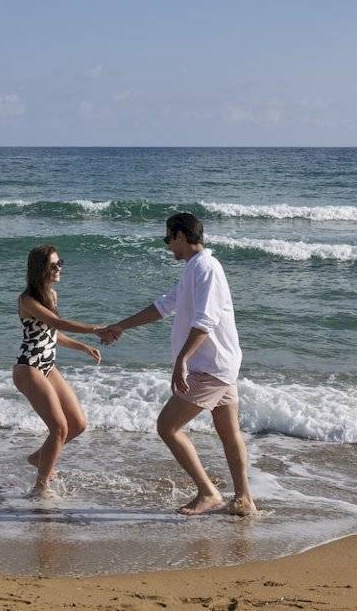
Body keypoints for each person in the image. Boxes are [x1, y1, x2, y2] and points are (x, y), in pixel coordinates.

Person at [99, 212, 256, 516]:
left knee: (167, 427)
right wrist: (120, 326)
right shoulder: (193, 268)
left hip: (209, 367)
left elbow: (206, 321)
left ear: (180, 236)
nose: (167, 245)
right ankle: (244, 499)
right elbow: (163, 306)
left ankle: (208, 493)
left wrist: (182, 360)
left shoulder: (206, 268)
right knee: (229, 432)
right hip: (220, 365)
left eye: (168, 238)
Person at [12, 244, 105, 498]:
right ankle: (40, 488)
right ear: (40, 269)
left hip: (47, 366)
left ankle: (38, 458)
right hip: (29, 367)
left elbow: (51, 333)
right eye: (54, 265)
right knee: (59, 428)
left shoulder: (52, 295)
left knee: (78, 424)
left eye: (60, 263)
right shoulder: (27, 300)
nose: (59, 268)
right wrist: (95, 329)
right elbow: (56, 322)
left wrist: (82, 346)